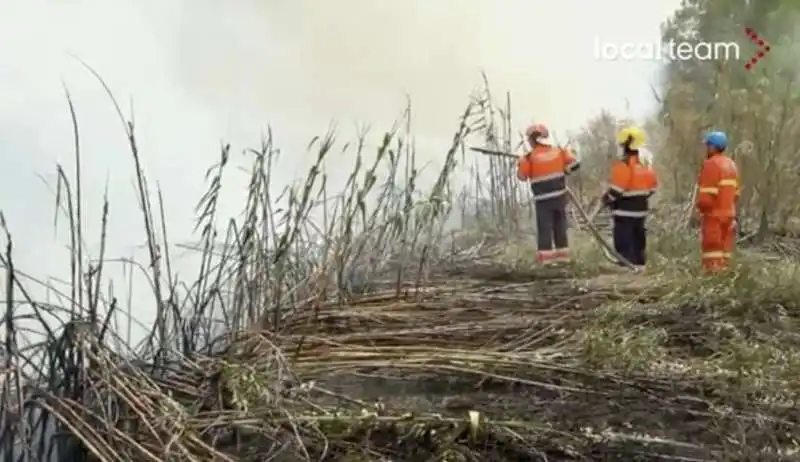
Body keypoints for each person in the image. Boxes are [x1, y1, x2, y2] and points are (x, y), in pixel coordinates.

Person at [516, 123, 580, 264]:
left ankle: (546, 262)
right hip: (559, 198)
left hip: (543, 201)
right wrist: (564, 169)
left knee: (545, 229)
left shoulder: (528, 157)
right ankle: (563, 260)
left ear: (533, 140)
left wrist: (520, 164)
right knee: (560, 228)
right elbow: (575, 164)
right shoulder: (559, 151)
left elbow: (521, 177)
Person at [602, 126, 658, 270]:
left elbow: (616, 190)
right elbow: (653, 188)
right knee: (638, 239)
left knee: (624, 241)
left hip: (624, 212)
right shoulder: (645, 165)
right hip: (641, 210)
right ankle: (640, 265)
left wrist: (607, 198)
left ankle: (627, 267)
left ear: (627, 145)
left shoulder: (624, 165)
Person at [696, 131, 739, 273]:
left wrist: (700, 210)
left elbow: (707, 195)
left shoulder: (710, 164)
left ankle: (712, 278)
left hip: (714, 215)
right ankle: (724, 278)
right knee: (725, 251)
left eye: (707, 145)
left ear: (713, 147)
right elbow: (736, 193)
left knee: (712, 250)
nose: (706, 149)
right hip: (730, 214)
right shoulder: (732, 165)